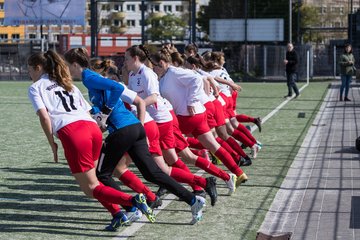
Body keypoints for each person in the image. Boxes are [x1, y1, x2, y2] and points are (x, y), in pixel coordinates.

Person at [63, 47, 206, 225]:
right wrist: (98, 114)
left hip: (123, 130)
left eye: (67, 66)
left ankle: (131, 208)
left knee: (102, 175)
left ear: (75, 64)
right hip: (135, 127)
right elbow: (105, 99)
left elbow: (115, 88)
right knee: (152, 173)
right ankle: (193, 200)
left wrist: (106, 112)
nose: (66, 70)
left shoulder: (88, 77)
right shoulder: (91, 77)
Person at [27, 50, 155, 231]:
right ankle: (117, 214)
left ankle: (132, 200)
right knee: (95, 179)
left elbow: (44, 117)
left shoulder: (36, 87)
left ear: (38, 68)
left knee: (90, 188)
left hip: (73, 133)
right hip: (91, 129)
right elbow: (89, 112)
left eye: (30, 70)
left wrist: (52, 144)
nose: (29, 74)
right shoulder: (68, 83)